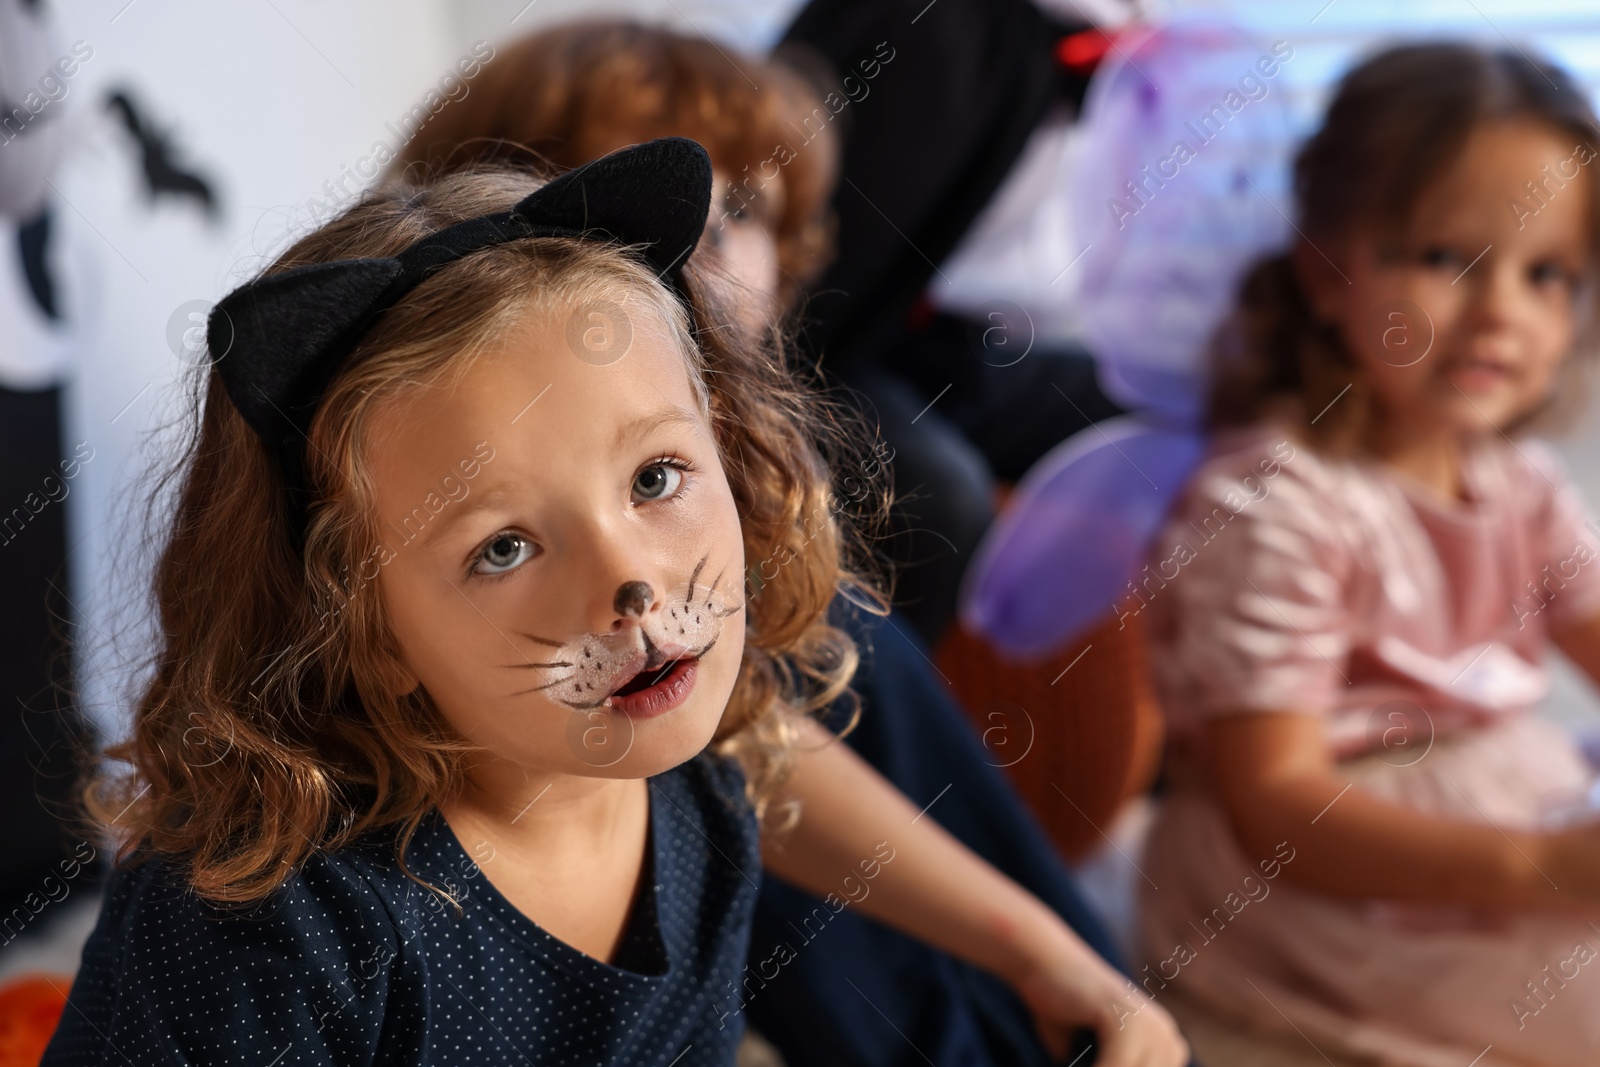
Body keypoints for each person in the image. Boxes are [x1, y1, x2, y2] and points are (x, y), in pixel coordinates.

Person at [40, 139, 1185, 1066]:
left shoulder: (671, 734)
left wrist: (1038, 951)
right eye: (501, 546)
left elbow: (771, 760)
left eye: (654, 478)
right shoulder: (284, 928)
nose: (629, 581)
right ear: (365, 631)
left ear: (730, 451)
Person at [395, 27, 1161, 1064]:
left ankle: (1061, 998)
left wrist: (1048, 951)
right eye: (642, 205)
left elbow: (758, 740)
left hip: (749, 786)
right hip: (541, 834)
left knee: (827, 629)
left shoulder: (760, 464)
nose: (703, 245)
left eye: (742, 212)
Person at [1137, 42, 1600, 1066]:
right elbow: (1278, 807)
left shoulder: (1513, 475)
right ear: (1324, 263)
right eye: (1443, 259)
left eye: (1547, 274)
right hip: (1327, 868)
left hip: (1500, 796)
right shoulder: (1273, 503)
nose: (1500, 312)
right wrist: (1541, 867)